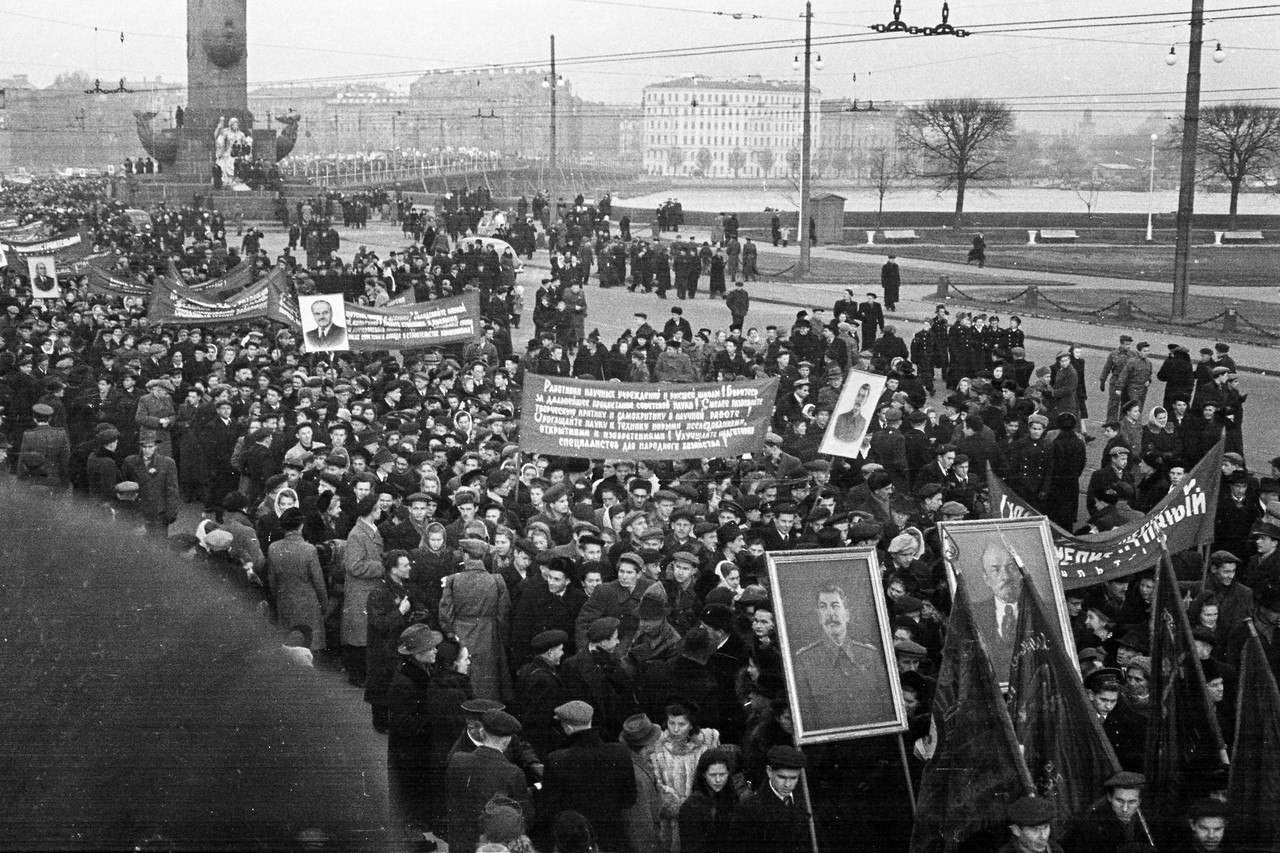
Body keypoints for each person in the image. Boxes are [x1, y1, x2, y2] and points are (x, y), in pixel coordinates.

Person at [792, 579, 895, 732]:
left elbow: (887, 709)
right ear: (819, 617)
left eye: (835, 606)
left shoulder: (870, 656)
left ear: (847, 614)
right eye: (823, 607)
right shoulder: (805, 661)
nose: (830, 614)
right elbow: (806, 719)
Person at [540, 700, 637, 853]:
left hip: (576, 843)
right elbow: (629, 799)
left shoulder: (556, 760)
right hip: (613, 839)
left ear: (568, 727)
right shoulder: (621, 752)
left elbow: (551, 810)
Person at [386, 624, 446, 851]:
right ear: (417, 654)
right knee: (410, 801)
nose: (436, 651)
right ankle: (413, 843)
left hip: (417, 750)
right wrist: (436, 717)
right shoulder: (404, 683)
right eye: (430, 648)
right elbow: (403, 724)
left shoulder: (422, 671)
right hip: (409, 754)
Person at [445, 710, 533, 853]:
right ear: (506, 740)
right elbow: (523, 818)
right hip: (492, 847)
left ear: (482, 733)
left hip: (460, 844)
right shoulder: (513, 773)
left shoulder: (457, 760)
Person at [730, 745, 810, 853]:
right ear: (769, 771)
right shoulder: (748, 810)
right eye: (782, 777)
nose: (788, 784)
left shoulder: (806, 802)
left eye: (793, 778)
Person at [970, 540, 1021, 679]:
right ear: (986, 578)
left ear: (1020, 572)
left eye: (1011, 567)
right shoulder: (973, 613)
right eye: (995, 570)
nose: (1005, 576)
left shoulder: (1040, 609)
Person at [1064, 771, 1146, 853]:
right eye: (1119, 801)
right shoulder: (1092, 827)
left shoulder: (1148, 822)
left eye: (1131, 802)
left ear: (1139, 801)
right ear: (1109, 797)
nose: (1124, 809)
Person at [679, 747, 741, 853]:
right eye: (712, 775)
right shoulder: (692, 806)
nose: (718, 780)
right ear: (704, 774)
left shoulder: (733, 799)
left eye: (722, 774)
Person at [121, 429, 180, 537]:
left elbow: (172, 490)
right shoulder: (130, 462)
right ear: (140, 446)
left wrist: (171, 513)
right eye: (144, 446)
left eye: (150, 446)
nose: (147, 450)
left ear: (156, 446)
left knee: (158, 545)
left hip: (158, 513)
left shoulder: (167, 463)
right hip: (138, 513)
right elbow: (124, 488)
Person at [998, 795, 1063, 853]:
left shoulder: (1055, 849)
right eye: (1034, 830)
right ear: (1016, 830)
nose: (1043, 836)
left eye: (1045, 827)